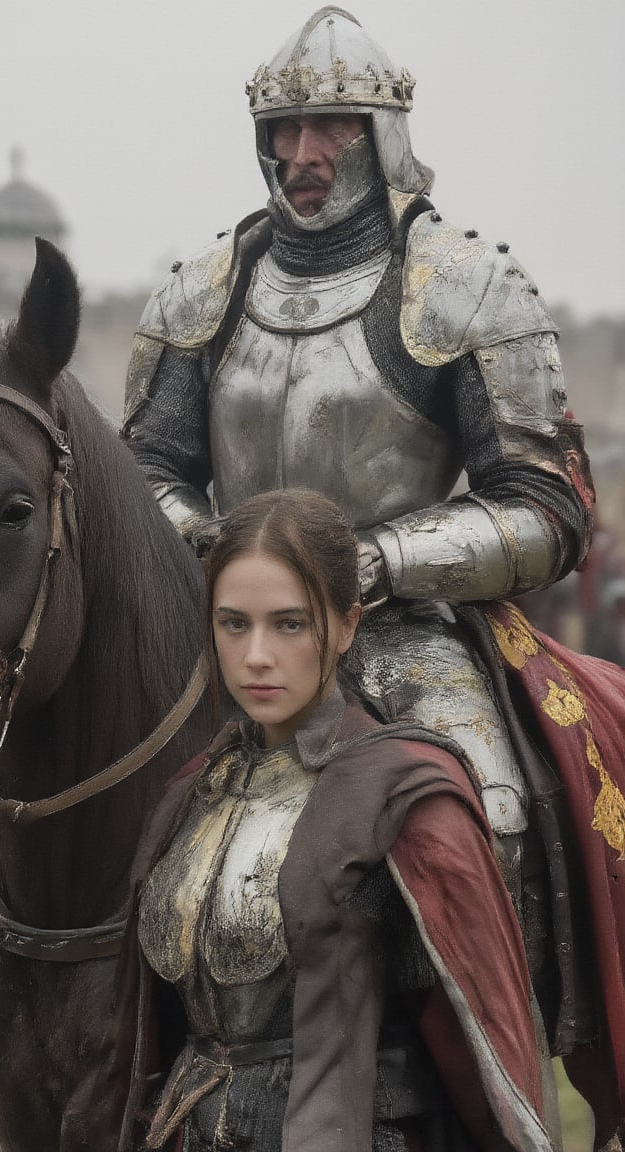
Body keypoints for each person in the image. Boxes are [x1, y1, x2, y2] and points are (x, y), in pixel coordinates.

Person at [120, 6, 595, 925]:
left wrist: (372, 561)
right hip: (224, 627)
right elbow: (142, 474)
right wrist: (216, 545)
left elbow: (548, 507)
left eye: (331, 125)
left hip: (399, 630)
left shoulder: (468, 287)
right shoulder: (199, 292)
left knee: (487, 814)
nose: (302, 153)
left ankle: (480, 1053)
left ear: (382, 133)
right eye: (283, 129)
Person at [111, 489, 556, 1152]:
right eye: (234, 624)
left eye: (289, 624)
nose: (257, 655)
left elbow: (483, 1046)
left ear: (346, 625)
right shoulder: (189, 793)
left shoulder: (406, 791)